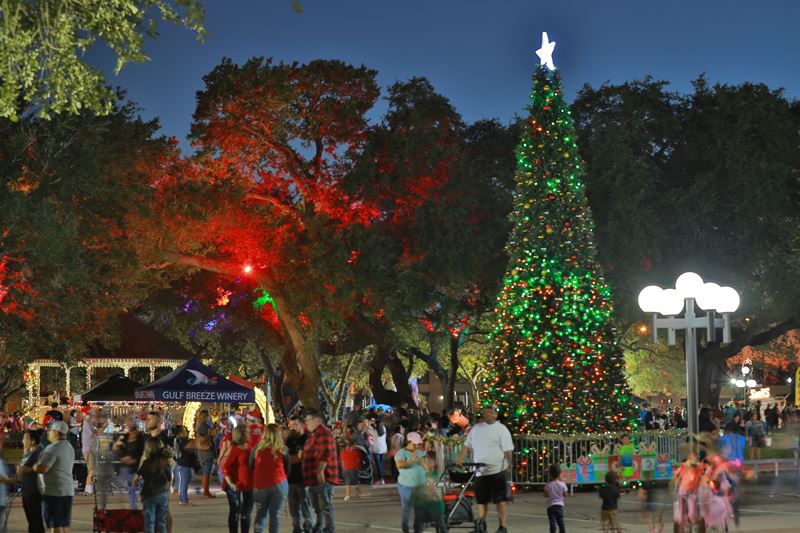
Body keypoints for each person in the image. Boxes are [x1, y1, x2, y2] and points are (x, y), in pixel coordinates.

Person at [456, 404, 514, 533]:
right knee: (481, 501)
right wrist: (460, 458)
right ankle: (482, 525)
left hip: (498, 471)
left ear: (495, 414)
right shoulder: (476, 429)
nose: (487, 414)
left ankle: (502, 527)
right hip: (480, 472)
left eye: (489, 412)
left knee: (500, 501)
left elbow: (508, 451)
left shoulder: (501, 429)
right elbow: (466, 445)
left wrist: (509, 467)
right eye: (485, 412)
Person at [35, 421, 75, 533]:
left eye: (50, 431)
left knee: (55, 524)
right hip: (67, 489)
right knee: (63, 524)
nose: (48, 434)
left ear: (56, 432)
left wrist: (34, 467)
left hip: (54, 491)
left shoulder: (53, 448)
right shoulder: (69, 447)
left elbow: (42, 468)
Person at [302, 410, 339, 533]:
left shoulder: (323, 433)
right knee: (317, 506)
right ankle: (319, 526)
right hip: (313, 478)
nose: (306, 423)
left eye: (308, 420)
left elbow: (325, 455)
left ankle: (329, 528)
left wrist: (320, 475)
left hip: (322, 477)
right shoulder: (313, 434)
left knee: (325, 506)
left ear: (316, 420)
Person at [251, 423, 289, 533]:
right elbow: (287, 467)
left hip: (260, 485)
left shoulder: (257, 448)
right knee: (275, 517)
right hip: (278, 484)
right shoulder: (283, 449)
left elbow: (251, 465)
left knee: (260, 514)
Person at [135, 439, 173, 533]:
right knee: (161, 522)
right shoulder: (165, 462)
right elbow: (169, 478)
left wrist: (140, 489)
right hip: (162, 495)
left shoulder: (147, 463)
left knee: (149, 522)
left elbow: (140, 478)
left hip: (150, 495)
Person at [394, 431, 428, 533]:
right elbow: (400, 465)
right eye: (415, 443)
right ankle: (405, 529)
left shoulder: (418, 452)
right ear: (409, 441)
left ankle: (418, 530)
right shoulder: (401, 452)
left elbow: (424, 464)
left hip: (420, 485)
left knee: (419, 509)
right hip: (406, 485)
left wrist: (426, 468)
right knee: (406, 508)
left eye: (418, 443)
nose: (417, 445)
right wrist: (412, 460)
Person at [223, 426, 254, 533]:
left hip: (249, 485)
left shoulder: (249, 447)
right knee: (235, 512)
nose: (249, 433)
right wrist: (230, 483)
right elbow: (225, 467)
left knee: (246, 513)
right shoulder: (234, 449)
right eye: (247, 432)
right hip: (235, 485)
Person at [286, 417, 314, 533]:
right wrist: (295, 457)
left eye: (295, 425)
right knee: (293, 509)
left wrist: (293, 458)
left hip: (304, 479)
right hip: (290, 479)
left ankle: (308, 528)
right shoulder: (289, 440)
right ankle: (296, 528)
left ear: (302, 425)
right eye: (290, 425)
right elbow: (286, 458)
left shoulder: (307, 439)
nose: (292, 427)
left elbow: (302, 457)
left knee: (306, 506)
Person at [17, 428, 46, 533]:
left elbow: (43, 469)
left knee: (35, 520)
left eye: (25, 438)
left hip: (34, 491)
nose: (23, 441)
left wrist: (28, 470)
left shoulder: (39, 452)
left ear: (33, 441)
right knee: (31, 521)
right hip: (27, 490)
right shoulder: (30, 452)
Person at [114, 419, 145, 509]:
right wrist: (123, 458)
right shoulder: (125, 437)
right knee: (131, 487)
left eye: (133, 422)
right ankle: (133, 506)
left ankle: (135, 505)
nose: (131, 424)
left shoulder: (140, 438)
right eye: (130, 422)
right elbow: (116, 449)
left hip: (137, 466)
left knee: (133, 486)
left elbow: (142, 452)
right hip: (126, 467)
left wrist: (135, 460)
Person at [195, 409, 217, 498]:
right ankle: (206, 491)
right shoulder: (205, 427)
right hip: (207, 450)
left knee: (206, 471)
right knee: (207, 472)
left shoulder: (199, 426)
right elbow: (213, 434)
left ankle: (206, 490)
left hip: (203, 451)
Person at [174, 425, 198, 505]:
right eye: (185, 430)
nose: (187, 431)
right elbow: (191, 447)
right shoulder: (182, 441)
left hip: (185, 463)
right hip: (184, 463)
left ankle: (183, 498)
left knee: (185, 481)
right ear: (180, 432)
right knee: (184, 482)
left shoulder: (181, 440)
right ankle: (183, 499)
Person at [340, 427, 362, 501]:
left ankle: (347, 495)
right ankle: (358, 493)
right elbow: (358, 460)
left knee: (347, 482)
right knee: (355, 482)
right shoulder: (355, 452)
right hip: (353, 468)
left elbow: (342, 460)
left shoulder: (344, 452)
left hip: (346, 468)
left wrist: (343, 467)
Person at [543, 464, 567, 533]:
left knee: (552, 521)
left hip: (551, 506)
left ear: (550, 474)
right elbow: (565, 494)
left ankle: (553, 531)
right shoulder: (562, 484)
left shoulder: (548, 485)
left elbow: (545, 495)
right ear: (560, 474)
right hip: (560, 506)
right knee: (561, 521)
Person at [367, 417, 388, 484]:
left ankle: (381, 479)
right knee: (381, 463)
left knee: (378, 464)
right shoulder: (383, 429)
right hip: (383, 448)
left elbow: (367, 428)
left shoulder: (374, 431)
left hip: (376, 449)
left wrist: (371, 422)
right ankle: (382, 479)